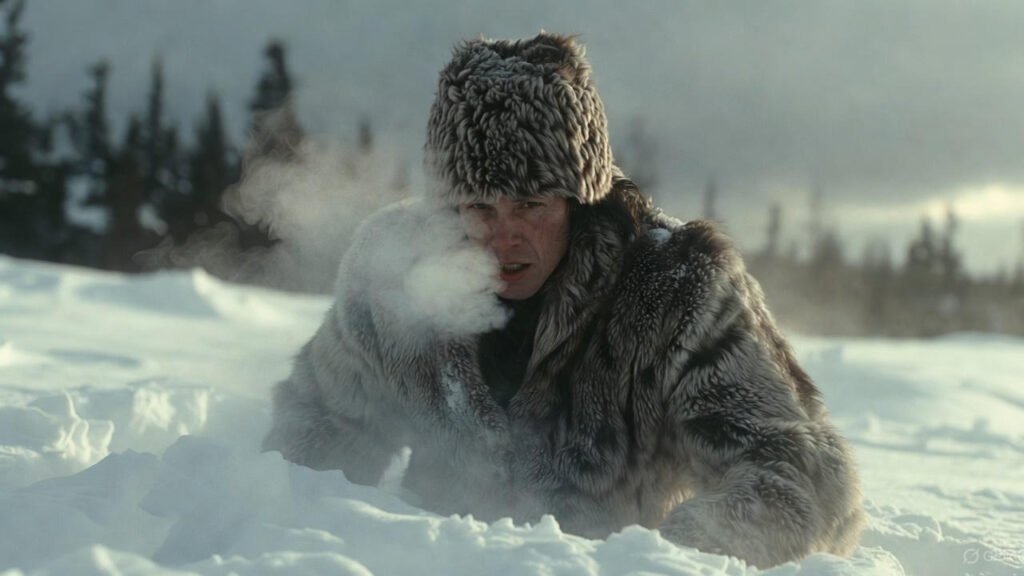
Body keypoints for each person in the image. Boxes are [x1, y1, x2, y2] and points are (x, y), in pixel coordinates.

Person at [263, 32, 864, 567]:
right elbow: (314, 433)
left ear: (578, 201)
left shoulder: (678, 287)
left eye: (529, 205)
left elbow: (803, 480)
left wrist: (667, 559)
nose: (503, 237)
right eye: (479, 207)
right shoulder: (394, 271)